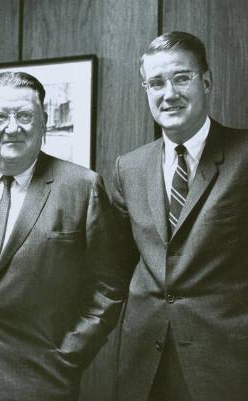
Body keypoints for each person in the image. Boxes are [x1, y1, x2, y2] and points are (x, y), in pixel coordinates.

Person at [0, 71, 129, 401]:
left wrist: (68, 356)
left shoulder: (81, 187)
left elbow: (108, 287)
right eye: (0, 117)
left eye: (24, 116)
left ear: (44, 122)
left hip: (43, 380)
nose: (12, 127)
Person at [111, 31, 248, 401]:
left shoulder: (244, 156)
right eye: (156, 82)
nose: (168, 93)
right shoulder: (129, 167)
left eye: (181, 78)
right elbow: (116, 267)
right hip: (144, 362)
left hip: (227, 364)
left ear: (206, 81)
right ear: (146, 90)